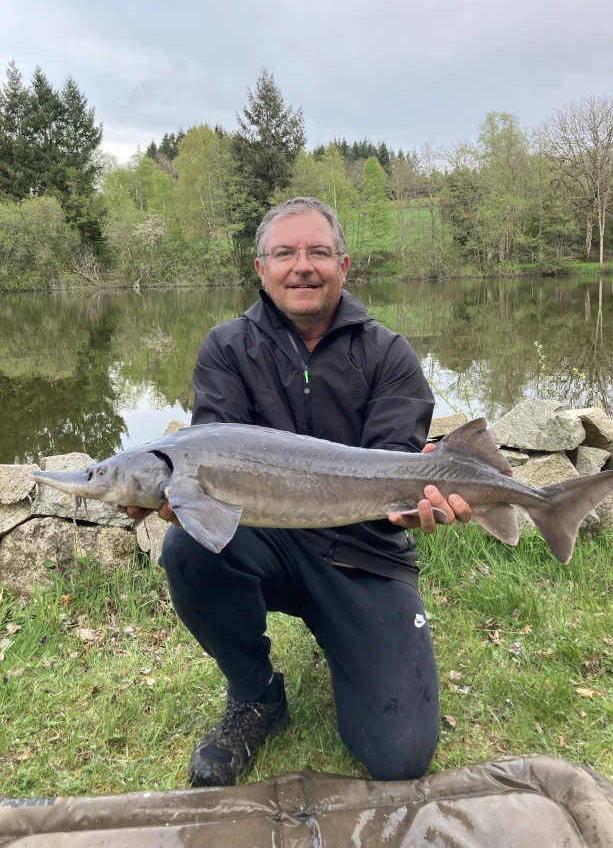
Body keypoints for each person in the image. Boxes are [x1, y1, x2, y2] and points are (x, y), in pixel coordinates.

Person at [124, 197, 472, 787]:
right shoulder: (226, 349)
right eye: (285, 253)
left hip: (367, 555)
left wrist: (420, 505)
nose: (302, 266)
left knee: (400, 757)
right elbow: (209, 463)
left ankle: (350, 642)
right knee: (187, 551)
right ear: (260, 268)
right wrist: (182, 501)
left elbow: (394, 471)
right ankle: (256, 696)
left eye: (318, 252)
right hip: (269, 543)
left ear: (344, 264)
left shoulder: (390, 354)